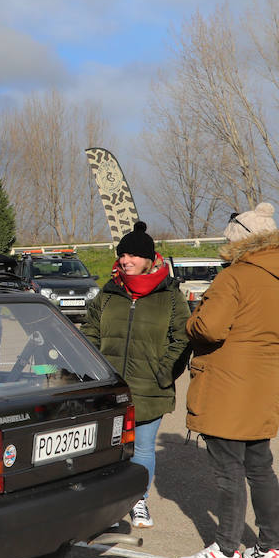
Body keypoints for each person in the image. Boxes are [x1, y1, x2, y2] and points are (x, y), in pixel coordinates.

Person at [179, 203, 279, 558]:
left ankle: (226, 551)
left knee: (228, 471)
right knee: (261, 468)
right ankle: (270, 549)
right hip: (265, 390)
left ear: (240, 242)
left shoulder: (233, 278)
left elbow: (210, 328)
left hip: (225, 389)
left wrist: (194, 317)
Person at [80, 222, 189, 529]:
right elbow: (89, 332)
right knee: (108, 449)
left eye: (132, 255)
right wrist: (94, 371)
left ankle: (137, 501)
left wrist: (163, 373)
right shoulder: (109, 291)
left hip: (150, 388)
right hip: (109, 388)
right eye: (122, 254)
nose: (125, 260)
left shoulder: (170, 296)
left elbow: (182, 338)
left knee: (141, 448)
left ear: (148, 259)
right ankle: (111, 507)